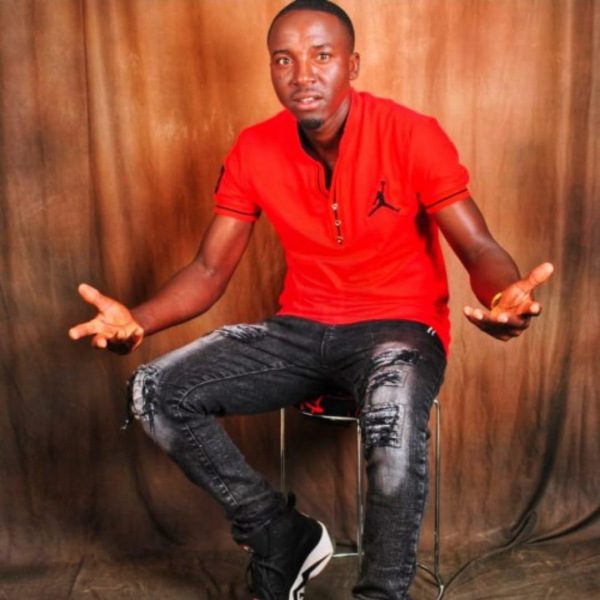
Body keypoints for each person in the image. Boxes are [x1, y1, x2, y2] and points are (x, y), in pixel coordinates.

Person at [69, 1, 554, 598]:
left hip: (398, 332)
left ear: (352, 64)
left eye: (322, 56)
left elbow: (477, 246)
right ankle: (278, 535)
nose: (302, 74)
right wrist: (137, 321)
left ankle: (382, 593)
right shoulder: (254, 148)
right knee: (155, 390)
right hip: (300, 330)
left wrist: (503, 295)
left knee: (392, 420)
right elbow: (209, 269)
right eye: (284, 60)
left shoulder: (410, 133)